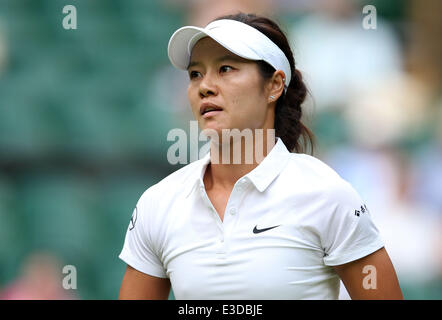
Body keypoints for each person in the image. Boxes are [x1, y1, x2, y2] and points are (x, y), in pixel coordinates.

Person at [118, 13, 403, 300]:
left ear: (274, 86)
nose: (204, 86)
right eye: (195, 74)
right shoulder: (158, 204)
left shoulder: (328, 195)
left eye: (226, 68)